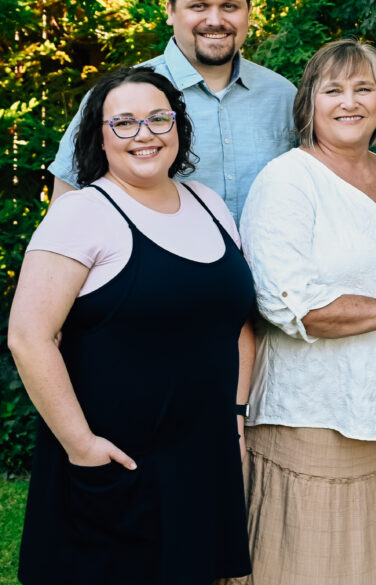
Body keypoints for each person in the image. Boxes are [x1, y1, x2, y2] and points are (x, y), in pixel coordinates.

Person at [9, 66, 254, 584]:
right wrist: (81, 446)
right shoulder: (81, 213)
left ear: (178, 126)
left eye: (159, 118)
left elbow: (234, 325)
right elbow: (28, 337)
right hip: (116, 464)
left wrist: (234, 418)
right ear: (99, 137)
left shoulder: (209, 204)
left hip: (201, 457)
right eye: (123, 122)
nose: (145, 134)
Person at [237, 39, 376, 584]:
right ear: (308, 104)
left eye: (364, 88)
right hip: (307, 412)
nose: (350, 101)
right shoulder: (287, 180)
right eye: (333, 90)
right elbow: (289, 304)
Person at [49, 0, 295, 221]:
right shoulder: (117, 97)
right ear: (170, 11)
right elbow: (65, 210)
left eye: (229, 6)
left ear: (248, 12)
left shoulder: (283, 96)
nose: (215, 20)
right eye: (198, 6)